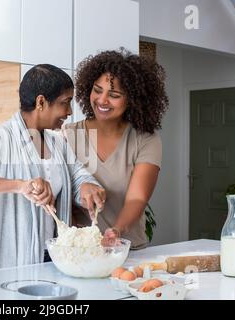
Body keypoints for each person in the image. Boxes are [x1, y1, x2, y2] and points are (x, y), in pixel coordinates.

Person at [0, 64, 106, 272]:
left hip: (54, 259)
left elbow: (78, 175)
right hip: (7, 260)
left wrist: (87, 187)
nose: (69, 112)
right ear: (41, 102)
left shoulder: (58, 143)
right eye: (65, 103)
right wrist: (20, 186)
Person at [63, 49, 168, 249]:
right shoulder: (68, 135)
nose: (102, 100)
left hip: (127, 249)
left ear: (133, 99)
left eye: (114, 95)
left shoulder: (145, 139)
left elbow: (137, 198)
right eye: (97, 90)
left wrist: (116, 231)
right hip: (79, 252)